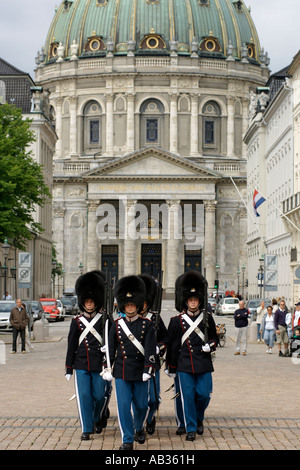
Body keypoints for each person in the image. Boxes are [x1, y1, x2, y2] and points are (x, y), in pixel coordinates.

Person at [102, 275, 156, 451]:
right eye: (128, 305)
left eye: (133, 304)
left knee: (141, 406)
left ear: (138, 305)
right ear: (124, 306)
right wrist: (107, 368)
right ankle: (127, 439)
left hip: (140, 371)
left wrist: (149, 368)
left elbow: (149, 348)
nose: (130, 307)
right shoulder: (116, 325)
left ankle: (138, 427)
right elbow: (109, 349)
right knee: (124, 407)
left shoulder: (147, 325)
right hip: (122, 371)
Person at [166, 271, 218, 442]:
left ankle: (198, 416)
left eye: (196, 300)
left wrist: (209, 345)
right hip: (185, 364)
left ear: (199, 301)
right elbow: (172, 345)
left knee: (204, 394)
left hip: (203, 363)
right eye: (190, 300)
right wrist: (171, 367)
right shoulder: (176, 321)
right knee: (187, 397)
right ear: (186, 301)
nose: (193, 302)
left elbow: (214, 338)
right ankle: (191, 428)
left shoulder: (207, 318)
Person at [65, 270, 109, 441]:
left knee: (99, 396)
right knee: (84, 396)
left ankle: (97, 416)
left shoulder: (104, 320)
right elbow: (71, 345)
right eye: (87, 302)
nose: (89, 304)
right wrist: (69, 368)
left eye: (92, 301)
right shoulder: (76, 322)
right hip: (81, 364)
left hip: (99, 365)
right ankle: (86, 428)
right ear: (83, 302)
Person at [138, 273, 168, 435]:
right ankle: (139, 425)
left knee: (154, 399)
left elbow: (166, 338)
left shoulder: (155, 318)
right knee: (139, 400)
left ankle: (150, 418)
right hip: (135, 364)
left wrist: (159, 348)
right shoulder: (128, 319)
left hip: (153, 364)